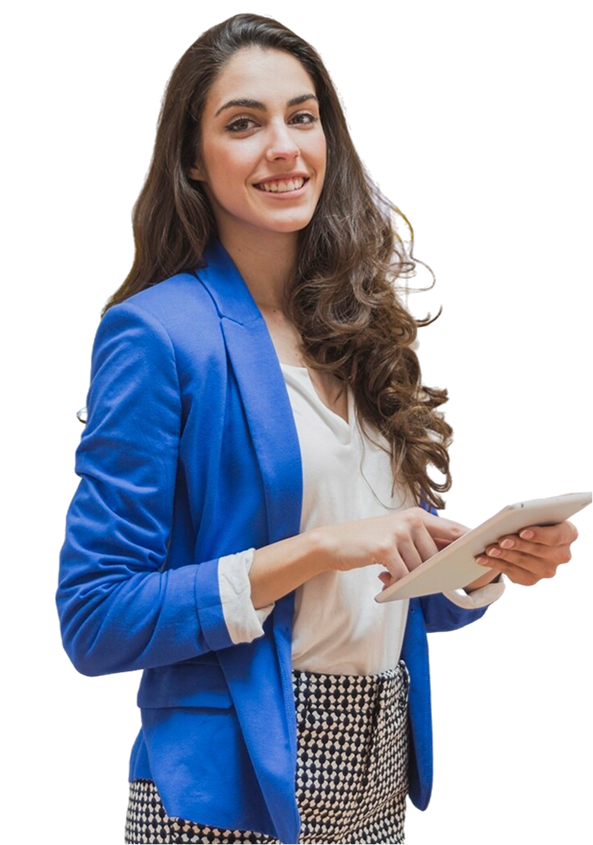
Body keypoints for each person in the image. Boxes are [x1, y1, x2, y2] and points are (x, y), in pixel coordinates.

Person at [56, 13, 580, 845]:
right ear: (192, 158)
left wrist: (482, 562)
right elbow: (94, 618)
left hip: (376, 777)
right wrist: (323, 548)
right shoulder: (156, 335)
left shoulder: (361, 326)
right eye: (243, 123)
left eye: (301, 117)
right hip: (225, 790)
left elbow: (383, 600)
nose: (283, 147)